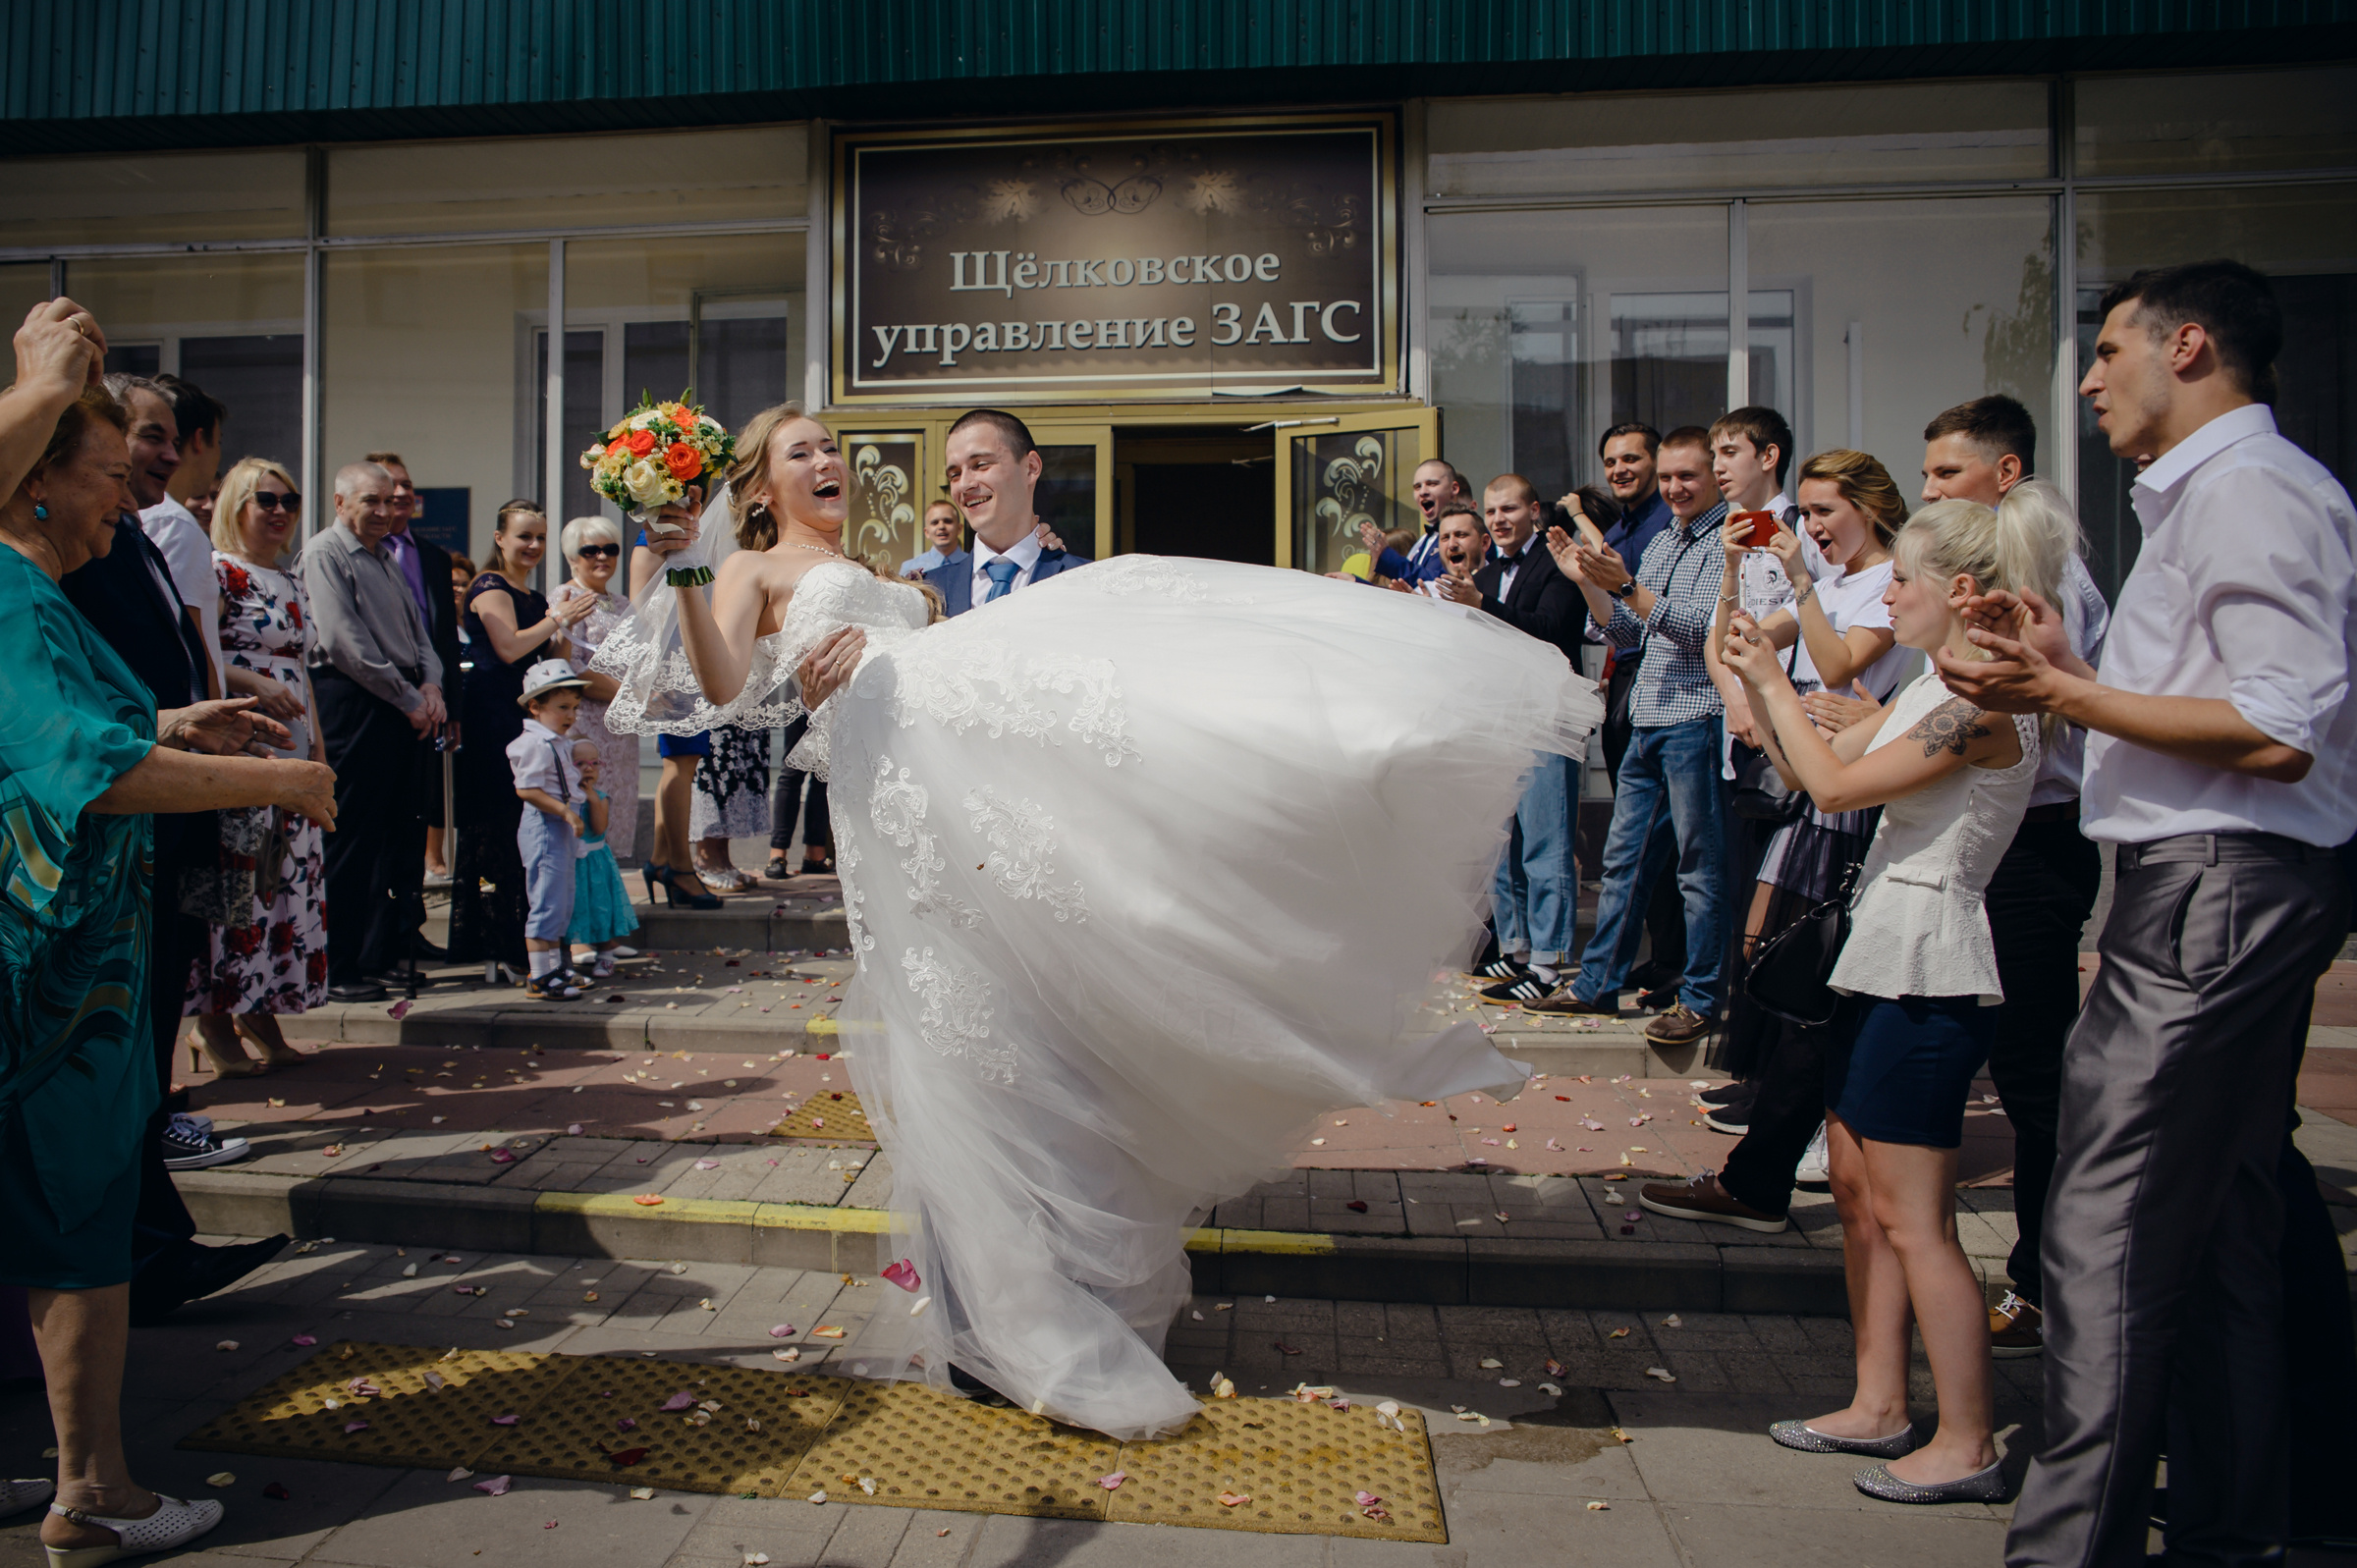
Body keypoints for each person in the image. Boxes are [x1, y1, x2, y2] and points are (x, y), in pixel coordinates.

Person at [598, 401, 1599, 1437]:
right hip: (898, 835)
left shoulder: (897, 574)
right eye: (801, 451)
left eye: (831, 447)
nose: (827, 461)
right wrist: (680, 566)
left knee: (1030, 1046)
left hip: (964, 822)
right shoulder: (752, 573)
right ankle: (1007, 1320)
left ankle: (1056, 1293)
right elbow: (717, 685)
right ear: (760, 488)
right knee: (962, 1054)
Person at [1933, 261, 2353, 1568]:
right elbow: (2208, 704)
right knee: (2221, 1219)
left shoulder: (2252, 495)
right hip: (2214, 878)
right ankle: (2239, 1522)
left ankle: (2069, 1545)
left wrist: (2066, 700)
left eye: (2110, 350)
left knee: (2101, 1227)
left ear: (2189, 346)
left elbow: (2281, 728)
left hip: (2218, 885)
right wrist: (2066, 667)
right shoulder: (2222, 499)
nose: (2092, 379)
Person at [1, 337, 335, 1568]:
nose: (129, 499)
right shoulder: (9, 588)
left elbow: (73, 724)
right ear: (41, 478)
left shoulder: (26, 593)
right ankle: (93, 1493)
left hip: (50, 962)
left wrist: (172, 713)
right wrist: (279, 776)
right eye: (107, 475)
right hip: (54, 985)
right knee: (77, 1215)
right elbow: (87, 771)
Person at [1725, 493, 2057, 1504]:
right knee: (1865, 1204)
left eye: (1901, 579)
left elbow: (1835, 790)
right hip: (1879, 956)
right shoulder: (1928, 686)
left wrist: (1774, 687)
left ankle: (1968, 1440)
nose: (1888, 594)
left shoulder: (1984, 702)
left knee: (1919, 1221)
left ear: (1955, 590)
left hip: (1933, 967)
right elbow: (1818, 772)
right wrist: (1754, 678)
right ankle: (1878, 1404)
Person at [1641, 450, 1912, 1231]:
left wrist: (1796, 579)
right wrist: (1730, 570)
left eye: (1827, 512)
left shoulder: (1887, 579)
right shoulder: (1833, 580)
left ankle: (1803, 1145)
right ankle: (1782, 1132)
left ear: (1870, 507)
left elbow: (1834, 661)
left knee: (1814, 976)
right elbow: (1734, 641)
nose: (1812, 526)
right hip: (1808, 772)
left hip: (1857, 790)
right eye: (1811, 512)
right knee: (1775, 955)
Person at [1915, 395, 2110, 1357]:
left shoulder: (2050, 585)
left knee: (2036, 1075)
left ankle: (2045, 1281)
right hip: (1981, 842)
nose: (1931, 491)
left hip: (2032, 845)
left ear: (2004, 476)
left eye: (1946, 475)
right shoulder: (1969, 582)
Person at [1527, 427, 1728, 1047]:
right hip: (1647, 716)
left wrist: (1621, 584)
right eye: (1668, 477)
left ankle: (1702, 997)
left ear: (1715, 477)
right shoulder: (1665, 539)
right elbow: (1632, 637)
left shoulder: (1731, 539)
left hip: (1696, 718)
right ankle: (1597, 985)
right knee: (1621, 864)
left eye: (1686, 476)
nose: (1674, 488)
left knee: (1698, 871)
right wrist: (1586, 580)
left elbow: (1701, 632)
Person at [186, 458, 326, 1077]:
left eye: (289, 501)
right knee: (236, 885)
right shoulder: (219, 571)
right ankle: (213, 1022)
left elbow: (301, 666)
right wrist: (255, 686)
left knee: (280, 884)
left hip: (292, 752)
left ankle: (258, 1006)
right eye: (264, 499)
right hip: (242, 746)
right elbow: (201, 657)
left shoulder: (290, 577)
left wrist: (318, 745)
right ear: (235, 505)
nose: (278, 511)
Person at [301, 460, 446, 1002]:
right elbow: (344, 643)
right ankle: (337, 967)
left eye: (390, 501)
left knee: (395, 838)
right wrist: (409, 697)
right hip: (357, 703)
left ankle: (377, 954)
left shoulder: (385, 558)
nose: (384, 512)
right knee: (351, 839)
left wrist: (430, 687)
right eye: (370, 502)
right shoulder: (325, 553)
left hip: (403, 705)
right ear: (341, 503)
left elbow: (421, 637)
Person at [1441, 475, 1584, 1003]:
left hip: (1547, 717)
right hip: (1501, 719)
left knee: (1545, 843)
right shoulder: (1492, 569)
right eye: (1494, 511)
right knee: (1506, 844)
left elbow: (1550, 629)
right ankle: (1518, 949)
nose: (1500, 519)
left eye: (1510, 510)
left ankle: (1548, 962)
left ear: (1534, 511)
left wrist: (1481, 604)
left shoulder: (1554, 562)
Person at [450, 500, 595, 974]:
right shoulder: (489, 586)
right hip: (494, 716)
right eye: (523, 537)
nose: (533, 546)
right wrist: (558, 618)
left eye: (539, 538)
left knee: (528, 831)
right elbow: (509, 645)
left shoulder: (533, 596)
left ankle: (534, 942)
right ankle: (500, 942)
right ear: (500, 539)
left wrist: (568, 623)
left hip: (528, 715)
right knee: (500, 823)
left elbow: (552, 657)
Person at [1584, 424, 1687, 1006]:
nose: (1620, 469)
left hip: (1679, 693)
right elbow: (1620, 622)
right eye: (1611, 461)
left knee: (1679, 852)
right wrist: (1589, 585)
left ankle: (1680, 965)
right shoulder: (1632, 531)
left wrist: (1617, 585)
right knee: (1634, 848)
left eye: (1632, 459)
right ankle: (1646, 960)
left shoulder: (1665, 532)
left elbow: (1674, 624)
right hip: (1634, 687)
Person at [369, 451, 462, 961]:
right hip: (377, 705)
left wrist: (451, 705)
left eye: (406, 486)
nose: (400, 495)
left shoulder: (430, 557)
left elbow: (443, 639)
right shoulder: (349, 555)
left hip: (430, 707)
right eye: (388, 488)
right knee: (377, 831)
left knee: (414, 820)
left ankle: (410, 927)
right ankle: (375, 933)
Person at [923, 410, 1092, 615]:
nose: (965, 484)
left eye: (981, 465)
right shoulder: (927, 590)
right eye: (955, 474)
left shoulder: (1087, 581)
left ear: (1030, 468)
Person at [553, 514, 639, 862]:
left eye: (610, 549)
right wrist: (630, 694)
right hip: (585, 725)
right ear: (573, 558)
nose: (602, 557)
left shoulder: (620, 603)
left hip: (620, 728)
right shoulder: (568, 596)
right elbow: (571, 668)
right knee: (587, 808)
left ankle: (606, 892)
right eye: (590, 551)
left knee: (615, 808)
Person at [508, 660, 589, 1000]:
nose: (570, 715)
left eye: (573, 708)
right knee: (545, 900)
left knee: (561, 899)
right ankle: (540, 974)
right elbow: (527, 789)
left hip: (560, 826)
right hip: (545, 826)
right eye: (562, 708)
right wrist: (564, 812)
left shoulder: (556, 741)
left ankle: (555, 966)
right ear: (535, 707)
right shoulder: (534, 744)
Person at [566, 738, 639, 976]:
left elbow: (598, 828)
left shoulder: (601, 797)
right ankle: (574, 950)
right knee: (576, 908)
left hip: (596, 863)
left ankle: (606, 954)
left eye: (594, 763)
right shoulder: (562, 798)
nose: (588, 768)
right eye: (580, 763)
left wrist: (592, 799)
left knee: (601, 907)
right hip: (571, 863)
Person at [1364, 458, 1468, 586]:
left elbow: (1440, 584)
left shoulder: (1468, 533)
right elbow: (1408, 593)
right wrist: (1354, 582)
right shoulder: (1423, 541)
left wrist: (1387, 556)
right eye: (1417, 487)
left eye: (1432, 484)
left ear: (1454, 489)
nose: (1423, 492)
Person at [900, 498, 968, 578]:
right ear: (927, 532)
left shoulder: (974, 564)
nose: (941, 527)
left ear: (959, 528)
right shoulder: (910, 568)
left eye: (947, 521)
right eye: (935, 523)